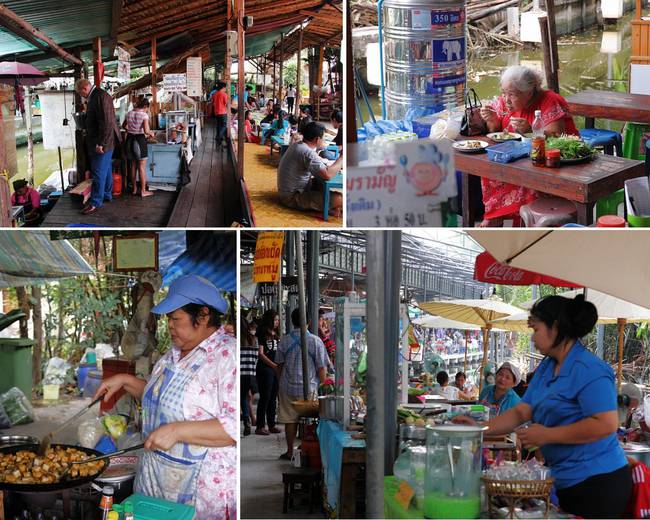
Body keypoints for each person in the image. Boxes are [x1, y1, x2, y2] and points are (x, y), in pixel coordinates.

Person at [456, 295, 632, 519]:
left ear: (555, 327)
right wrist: (479, 428)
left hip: (599, 482)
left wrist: (546, 435)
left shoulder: (590, 369)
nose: (532, 338)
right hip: (562, 480)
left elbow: (606, 424)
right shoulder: (547, 367)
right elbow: (521, 412)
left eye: (536, 329)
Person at [93, 275, 237, 520]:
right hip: (155, 481)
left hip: (199, 490)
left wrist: (177, 431)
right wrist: (126, 382)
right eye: (169, 319)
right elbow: (163, 399)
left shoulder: (226, 355)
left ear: (203, 316)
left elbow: (233, 427)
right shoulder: (173, 354)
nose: (169, 325)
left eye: (175, 319)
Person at [477, 65, 580, 227]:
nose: (506, 99)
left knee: (526, 177)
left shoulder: (549, 100)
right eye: (504, 93)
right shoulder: (505, 103)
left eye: (512, 95)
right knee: (490, 170)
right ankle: (495, 215)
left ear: (529, 91)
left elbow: (557, 134)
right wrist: (492, 120)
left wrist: (531, 130)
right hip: (520, 156)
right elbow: (495, 131)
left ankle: (522, 221)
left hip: (554, 159)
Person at [276, 308, 329, 460]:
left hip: (287, 386)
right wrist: (321, 383)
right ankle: (305, 450)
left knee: (289, 420)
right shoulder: (315, 341)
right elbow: (321, 368)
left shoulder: (285, 340)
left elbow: (279, 364)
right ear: (309, 321)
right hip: (308, 387)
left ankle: (290, 451)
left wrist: (281, 381)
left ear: (292, 322)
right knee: (307, 419)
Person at [74, 78, 122, 215]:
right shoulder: (96, 96)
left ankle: (95, 202)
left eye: (80, 93)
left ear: (84, 88)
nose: (81, 96)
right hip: (102, 141)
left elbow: (107, 123)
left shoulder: (100, 96)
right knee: (105, 170)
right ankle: (107, 195)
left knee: (98, 172)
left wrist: (102, 143)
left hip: (101, 142)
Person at [277, 122, 343, 217]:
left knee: (322, 183)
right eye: (323, 138)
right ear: (317, 139)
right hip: (292, 197)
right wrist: (341, 158)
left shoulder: (298, 145)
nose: (324, 141)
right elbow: (327, 175)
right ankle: (330, 208)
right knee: (339, 198)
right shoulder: (306, 152)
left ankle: (329, 208)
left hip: (293, 190)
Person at [255, 310, 282, 436]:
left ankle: (271, 424)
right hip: (265, 369)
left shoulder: (276, 333)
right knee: (265, 397)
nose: (277, 322)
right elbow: (260, 354)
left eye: (278, 320)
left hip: (275, 368)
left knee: (273, 397)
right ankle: (260, 425)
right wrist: (273, 365)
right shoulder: (261, 333)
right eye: (275, 320)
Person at [123, 98, 155, 197]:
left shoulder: (129, 113)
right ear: (145, 107)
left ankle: (134, 189)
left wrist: (132, 129)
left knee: (133, 166)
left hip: (129, 140)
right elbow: (146, 131)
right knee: (141, 167)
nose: (147, 111)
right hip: (139, 141)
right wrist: (152, 133)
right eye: (147, 109)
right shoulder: (144, 115)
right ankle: (143, 191)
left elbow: (124, 126)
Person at [240, 317, 259, 436]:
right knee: (246, 396)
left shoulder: (237, 340)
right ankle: (247, 418)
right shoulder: (254, 339)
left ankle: (246, 418)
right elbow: (256, 358)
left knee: (242, 397)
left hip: (240, 373)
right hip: (251, 373)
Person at [212, 81, 228, 147]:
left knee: (219, 125)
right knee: (224, 125)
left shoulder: (215, 94)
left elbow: (213, 102)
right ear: (224, 87)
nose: (226, 89)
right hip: (223, 112)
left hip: (216, 112)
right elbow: (226, 103)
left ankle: (217, 137)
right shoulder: (224, 94)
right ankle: (219, 137)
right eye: (226, 88)